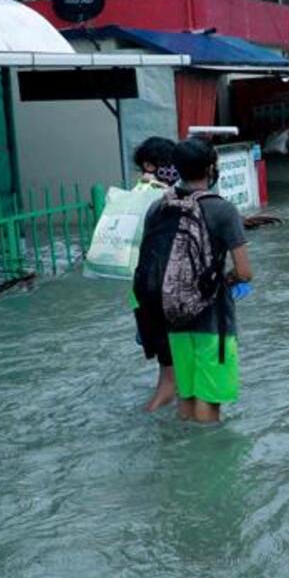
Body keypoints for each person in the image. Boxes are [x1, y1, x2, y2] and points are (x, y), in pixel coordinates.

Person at [133, 138, 253, 424]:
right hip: (214, 323)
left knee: (186, 400)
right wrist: (224, 280)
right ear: (211, 168)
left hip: (173, 319)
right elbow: (245, 272)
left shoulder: (158, 207)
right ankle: (209, 464)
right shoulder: (222, 210)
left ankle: (183, 460)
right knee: (209, 403)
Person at [130, 136, 178, 411]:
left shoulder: (138, 195)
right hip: (162, 291)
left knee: (172, 373)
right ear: (151, 165)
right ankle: (148, 423)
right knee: (169, 381)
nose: (174, 170)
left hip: (144, 290)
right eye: (169, 164)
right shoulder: (152, 196)